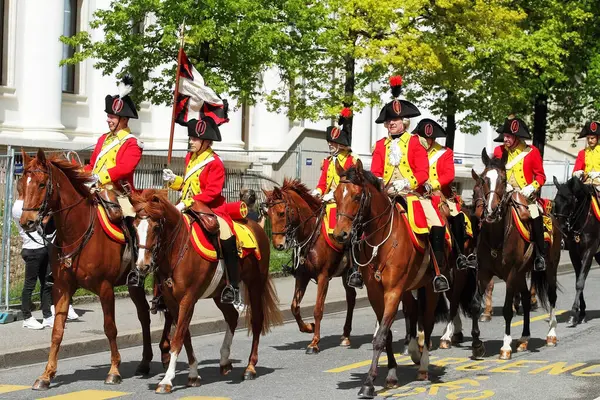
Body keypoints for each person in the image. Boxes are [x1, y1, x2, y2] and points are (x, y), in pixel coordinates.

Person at [370, 75, 450, 293]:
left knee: (435, 222)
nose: (390, 124)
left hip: (410, 193)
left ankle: (437, 271)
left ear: (404, 121)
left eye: (394, 120)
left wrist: (407, 182)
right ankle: (357, 270)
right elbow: (376, 171)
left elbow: (423, 172)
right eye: (388, 121)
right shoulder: (380, 145)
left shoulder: (415, 142)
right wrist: (380, 184)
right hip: (386, 193)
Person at [162, 116, 241, 307]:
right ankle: (161, 288)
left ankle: (233, 286)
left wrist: (189, 202)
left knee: (226, 234)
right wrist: (174, 180)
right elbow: (188, 186)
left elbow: (212, 192)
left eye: (195, 139)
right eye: (191, 138)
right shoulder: (191, 157)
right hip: (188, 206)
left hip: (210, 208)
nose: (191, 141)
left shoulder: (215, 162)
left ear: (206, 141)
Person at [83, 75, 144, 286]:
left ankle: (135, 267)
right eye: (108, 115)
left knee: (130, 220)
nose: (109, 119)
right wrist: (84, 174)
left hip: (119, 192)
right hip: (95, 187)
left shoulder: (133, 143)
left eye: (113, 116)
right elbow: (92, 164)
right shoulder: (103, 139)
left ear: (124, 120)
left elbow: (126, 167)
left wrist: (102, 176)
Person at [310, 107, 361, 287]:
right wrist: (317, 192)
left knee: (353, 230)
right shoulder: (328, 161)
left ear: (341, 144)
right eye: (330, 142)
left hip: (344, 202)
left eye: (333, 142)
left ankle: (354, 267)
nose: (330, 145)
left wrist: (333, 194)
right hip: (328, 200)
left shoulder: (351, 160)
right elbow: (322, 182)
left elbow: (351, 185)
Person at [412, 118, 471, 269]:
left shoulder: (444, 153)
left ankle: (460, 255)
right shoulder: (412, 150)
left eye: (430, 138)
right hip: (414, 193)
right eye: (424, 138)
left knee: (455, 215)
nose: (427, 141)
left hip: (438, 194)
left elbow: (449, 175)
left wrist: (432, 184)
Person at [492, 116, 546, 271]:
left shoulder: (531, 152)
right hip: (505, 193)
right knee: (487, 213)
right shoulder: (499, 151)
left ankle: (539, 255)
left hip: (526, 195)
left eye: (508, 136)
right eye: (504, 135)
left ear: (516, 137)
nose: (505, 139)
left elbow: (541, 176)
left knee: (536, 215)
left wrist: (532, 187)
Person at [13, 177, 53, 329]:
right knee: (29, 285)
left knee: (46, 283)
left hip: (42, 247)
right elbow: (37, 222)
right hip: (32, 249)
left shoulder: (28, 205)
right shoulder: (19, 207)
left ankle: (47, 315)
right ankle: (27, 317)